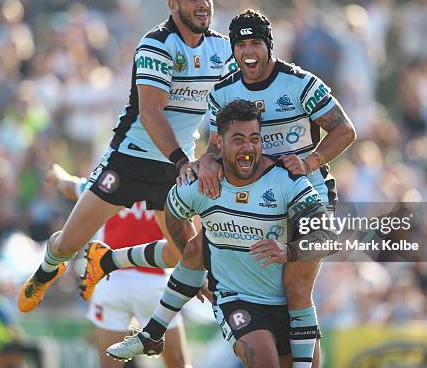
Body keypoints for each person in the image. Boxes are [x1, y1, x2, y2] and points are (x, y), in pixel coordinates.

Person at [86, 9, 356, 367]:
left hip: (304, 195)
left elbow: (345, 130)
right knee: (198, 247)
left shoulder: (300, 82)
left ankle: (130, 291)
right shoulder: (224, 90)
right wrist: (208, 162)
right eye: (240, 44)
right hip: (250, 192)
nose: (248, 51)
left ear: (268, 45)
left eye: (255, 43)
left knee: (295, 289)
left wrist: (310, 162)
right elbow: (216, 145)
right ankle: (152, 327)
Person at [17, 0, 234, 312]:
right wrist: (183, 161)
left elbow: (229, 109)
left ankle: (107, 261)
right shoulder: (157, 43)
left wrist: (210, 153)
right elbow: (150, 113)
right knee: (68, 244)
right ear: (173, 6)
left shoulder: (222, 48)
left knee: (189, 256)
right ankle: (44, 273)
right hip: (131, 160)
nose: (204, 4)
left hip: (176, 166)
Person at [107, 100, 340, 367]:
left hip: (288, 306)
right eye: (238, 139)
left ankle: (151, 330)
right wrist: (193, 263)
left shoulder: (287, 182)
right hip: (238, 302)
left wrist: (289, 251)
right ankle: (151, 329)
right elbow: (173, 213)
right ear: (219, 142)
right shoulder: (200, 185)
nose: (248, 147)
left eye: (254, 139)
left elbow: (331, 237)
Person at [44, 164, 190, 368]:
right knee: (179, 364)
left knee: (109, 364)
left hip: (110, 280)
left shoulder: (114, 180)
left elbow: (73, 188)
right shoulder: (167, 182)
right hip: (154, 282)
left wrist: (59, 176)